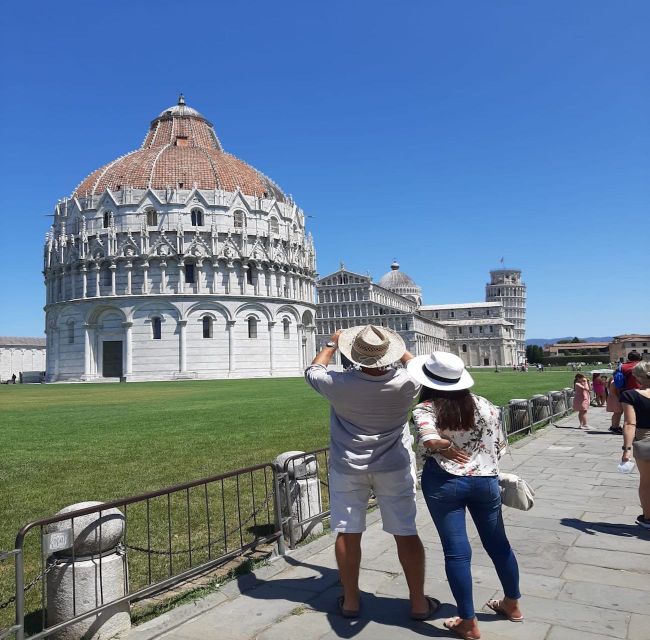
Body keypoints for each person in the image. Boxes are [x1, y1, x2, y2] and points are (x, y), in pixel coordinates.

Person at [305, 325, 439, 620]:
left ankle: (351, 602)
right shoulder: (409, 383)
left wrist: (332, 342)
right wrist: (396, 344)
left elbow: (313, 370)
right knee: (405, 531)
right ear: (387, 354)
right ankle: (418, 603)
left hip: (348, 466)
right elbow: (415, 364)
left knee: (348, 532)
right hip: (394, 465)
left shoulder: (337, 383)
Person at [409, 352, 522, 640]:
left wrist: (443, 444)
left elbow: (428, 438)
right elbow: (498, 446)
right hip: (485, 481)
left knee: (457, 552)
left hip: (445, 483)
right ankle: (512, 604)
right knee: (499, 544)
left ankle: (468, 621)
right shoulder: (487, 406)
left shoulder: (426, 408)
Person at [620, 361, 650, 529]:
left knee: (646, 482)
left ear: (638, 377)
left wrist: (627, 449)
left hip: (645, 440)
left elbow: (630, 424)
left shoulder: (630, 395)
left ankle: (648, 518)